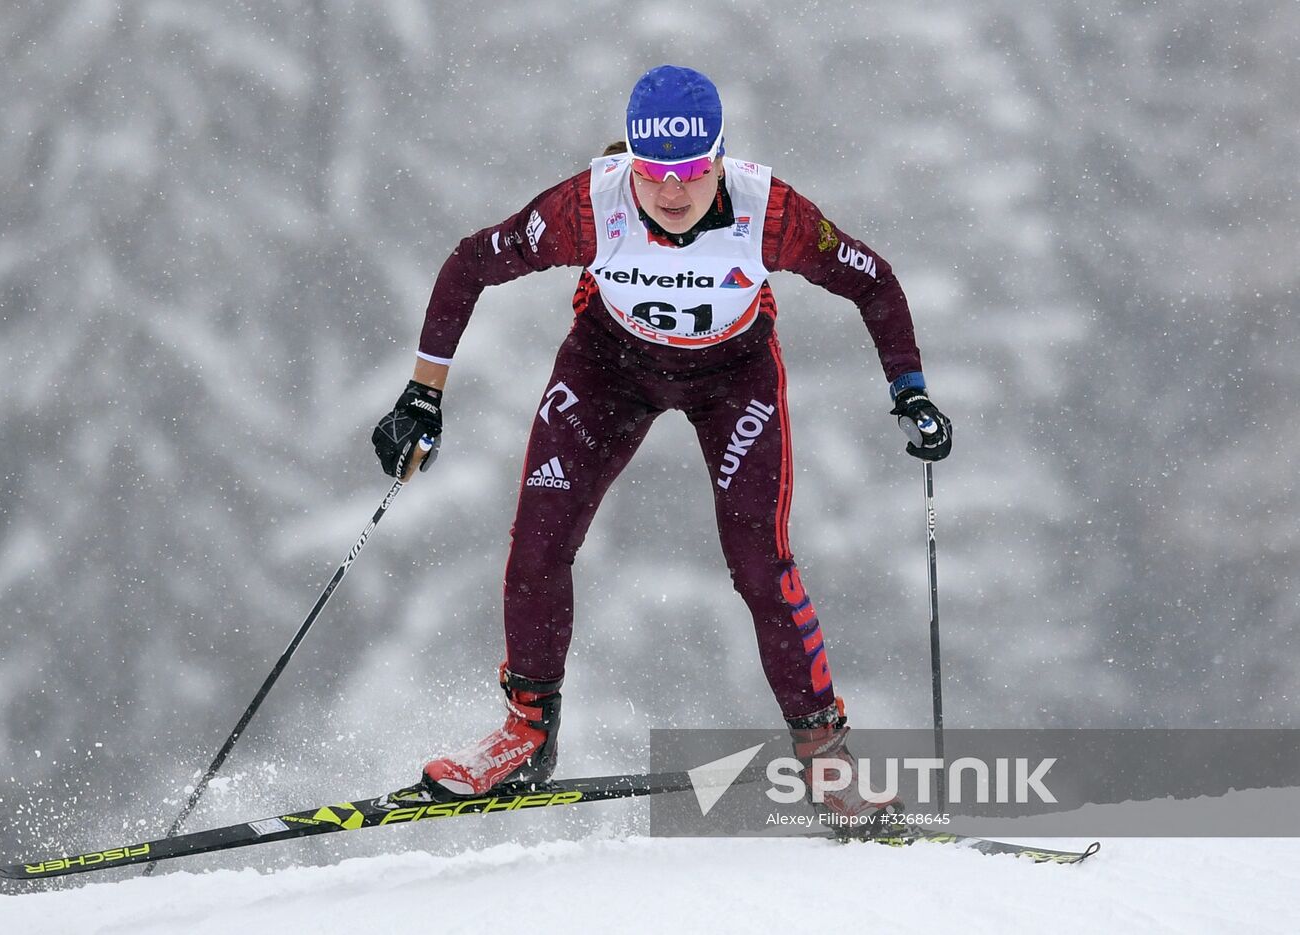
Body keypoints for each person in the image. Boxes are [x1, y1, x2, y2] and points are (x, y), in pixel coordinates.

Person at [371, 65, 951, 821]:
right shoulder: (589, 206)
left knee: (758, 561)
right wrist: (423, 393)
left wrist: (910, 389)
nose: (671, 192)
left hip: (732, 377)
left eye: (689, 172)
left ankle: (824, 756)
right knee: (539, 539)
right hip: (610, 366)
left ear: (719, 158)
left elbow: (872, 280)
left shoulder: (770, 212)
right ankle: (527, 731)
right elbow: (470, 263)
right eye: (652, 174)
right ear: (630, 163)